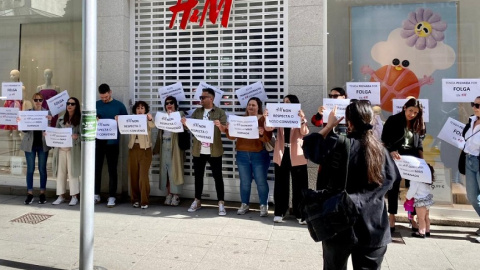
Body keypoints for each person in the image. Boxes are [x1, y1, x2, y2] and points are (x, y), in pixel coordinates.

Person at [317, 100, 400, 270]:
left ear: (349, 122)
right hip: (372, 223)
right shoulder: (380, 150)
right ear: (371, 120)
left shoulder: (337, 145)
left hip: (337, 222)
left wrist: (328, 127)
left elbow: (313, 151)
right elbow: (391, 180)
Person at [381, 98, 425, 233]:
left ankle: (411, 217)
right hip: (396, 156)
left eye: (415, 112)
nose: (412, 114)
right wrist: (391, 150)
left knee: (413, 188)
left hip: (412, 159)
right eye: (410, 110)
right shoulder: (393, 120)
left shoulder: (418, 123)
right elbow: (384, 139)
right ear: (405, 108)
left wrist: (422, 162)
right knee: (394, 187)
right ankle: (392, 216)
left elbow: (419, 144)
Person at [181, 88, 227, 215]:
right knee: (198, 177)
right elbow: (191, 127)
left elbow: (225, 130)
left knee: (218, 177)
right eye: (200, 97)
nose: (200, 99)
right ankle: (197, 200)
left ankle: (221, 203)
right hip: (198, 150)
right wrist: (185, 123)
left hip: (215, 150)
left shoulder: (220, 112)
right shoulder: (197, 112)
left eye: (203, 97)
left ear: (211, 99)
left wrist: (220, 126)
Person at [263, 94, 309, 224]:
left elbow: (305, 132)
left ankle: (300, 213)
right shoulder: (280, 114)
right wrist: (267, 117)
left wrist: (302, 119)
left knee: (300, 186)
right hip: (282, 153)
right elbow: (269, 128)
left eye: (288, 102)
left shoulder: (300, 115)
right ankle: (280, 211)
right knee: (280, 184)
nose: (285, 104)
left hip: (297, 154)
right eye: (284, 102)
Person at [226, 97, 272, 216]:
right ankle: (244, 204)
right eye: (249, 105)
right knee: (245, 182)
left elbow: (267, 139)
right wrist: (227, 128)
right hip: (242, 154)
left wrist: (262, 133)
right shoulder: (240, 120)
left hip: (259, 155)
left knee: (261, 181)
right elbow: (231, 137)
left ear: (258, 107)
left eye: (253, 105)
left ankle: (263, 205)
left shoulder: (263, 119)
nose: (251, 107)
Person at [95, 83, 128, 207]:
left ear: (110, 92)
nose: (104, 99)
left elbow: (127, 123)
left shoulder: (119, 106)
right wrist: (95, 118)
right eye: (102, 97)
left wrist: (120, 120)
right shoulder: (96, 104)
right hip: (98, 141)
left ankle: (112, 196)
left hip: (113, 142)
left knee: (112, 169)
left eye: (106, 97)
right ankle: (96, 194)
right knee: (96, 168)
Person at [19, 93, 51, 204]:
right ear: (33, 100)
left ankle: (42, 193)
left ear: (43, 101)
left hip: (42, 144)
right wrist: (21, 122)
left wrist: (49, 122)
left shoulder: (47, 113)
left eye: (40, 100)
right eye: (36, 100)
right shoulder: (27, 113)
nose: (38, 102)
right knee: (30, 169)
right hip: (30, 144)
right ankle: (30, 193)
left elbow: (52, 130)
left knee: (42, 169)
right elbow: (24, 130)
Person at [153, 96, 186, 206]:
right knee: (165, 170)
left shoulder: (180, 115)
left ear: (175, 104)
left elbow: (186, 128)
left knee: (175, 170)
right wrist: (156, 148)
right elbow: (159, 133)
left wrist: (184, 122)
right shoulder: (162, 116)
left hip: (175, 145)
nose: (169, 104)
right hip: (164, 144)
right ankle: (169, 193)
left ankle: (176, 195)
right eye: (167, 103)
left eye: (171, 102)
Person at [51, 97, 81, 206]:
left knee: (73, 173)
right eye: (68, 103)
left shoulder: (80, 119)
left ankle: (74, 196)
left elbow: (83, 135)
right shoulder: (61, 119)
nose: (70, 105)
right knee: (61, 173)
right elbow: (55, 133)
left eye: (72, 104)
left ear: (76, 106)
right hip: (61, 149)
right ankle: (61, 195)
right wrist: (49, 135)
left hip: (73, 149)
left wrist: (77, 136)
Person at [127, 101, 155, 209]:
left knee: (143, 176)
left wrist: (149, 119)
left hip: (145, 150)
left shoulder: (148, 118)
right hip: (133, 149)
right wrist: (118, 119)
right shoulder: (131, 119)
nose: (140, 110)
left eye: (142, 108)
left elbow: (153, 125)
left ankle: (144, 200)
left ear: (145, 109)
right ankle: (135, 199)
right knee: (133, 175)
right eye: (138, 108)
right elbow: (122, 125)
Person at [462, 96, 480, 242]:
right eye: (473, 104)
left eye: (478, 105)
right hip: (469, 160)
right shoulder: (471, 120)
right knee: (472, 196)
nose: (475, 107)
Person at [406, 164, 435, 238]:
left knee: (420, 218)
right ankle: (427, 231)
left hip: (420, 201)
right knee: (426, 217)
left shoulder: (415, 180)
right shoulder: (427, 180)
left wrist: (408, 197)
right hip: (427, 200)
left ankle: (421, 232)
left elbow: (412, 191)